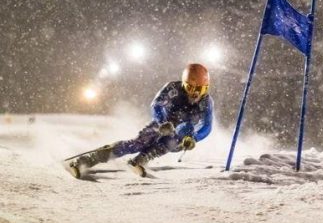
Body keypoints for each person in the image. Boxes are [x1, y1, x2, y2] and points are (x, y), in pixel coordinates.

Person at [68, 63, 214, 178]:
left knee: (180, 132)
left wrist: (194, 137)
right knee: (138, 143)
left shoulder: (207, 102)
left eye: (200, 89)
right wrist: (162, 122)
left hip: (180, 135)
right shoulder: (173, 88)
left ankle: (143, 158)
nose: (194, 94)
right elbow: (156, 104)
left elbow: (207, 126)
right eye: (190, 87)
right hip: (163, 123)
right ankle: (87, 160)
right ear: (184, 83)